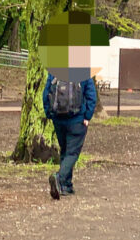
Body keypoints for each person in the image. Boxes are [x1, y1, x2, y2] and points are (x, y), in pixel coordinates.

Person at [42, 71, 98, 199]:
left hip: (58, 119)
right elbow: (91, 96)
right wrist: (87, 116)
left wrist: (49, 113)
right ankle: (59, 177)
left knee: (65, 151)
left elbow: (46, 93)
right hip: (77, 120)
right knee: (72, 153)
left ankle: (65, 185)